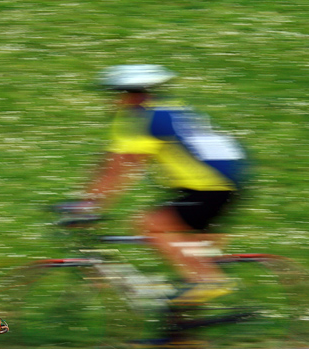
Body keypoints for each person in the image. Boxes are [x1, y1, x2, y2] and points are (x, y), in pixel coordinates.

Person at [75, 64, 248, 307]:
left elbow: (117, 169)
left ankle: (208, 281)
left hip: (210, 185)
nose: (112, 102)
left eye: (115, 95)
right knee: (189, 259)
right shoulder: (172, 109)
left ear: (129, 96)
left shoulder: (138, 119)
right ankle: (181, 330)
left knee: (150, 224)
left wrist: (87, 205)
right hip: (230, 179)